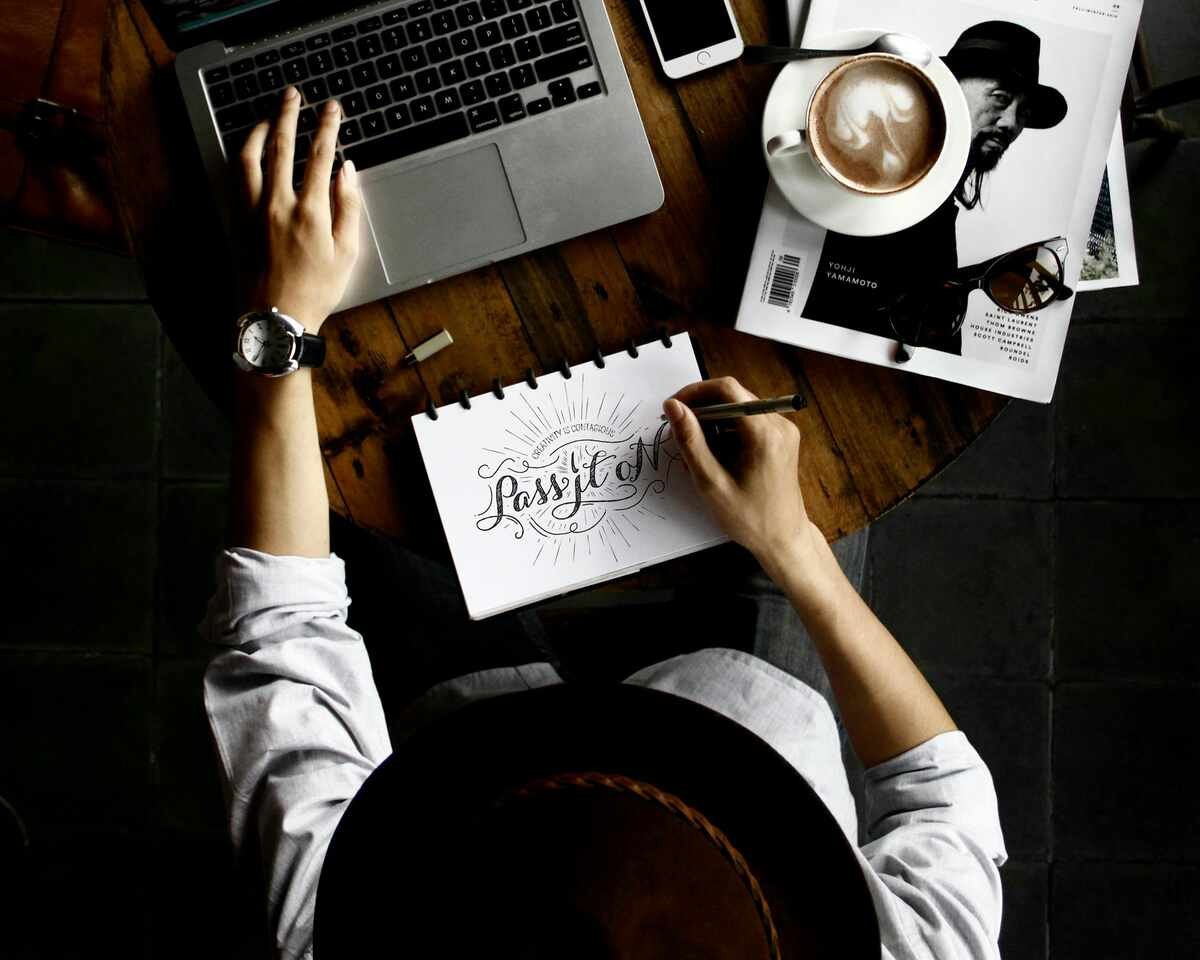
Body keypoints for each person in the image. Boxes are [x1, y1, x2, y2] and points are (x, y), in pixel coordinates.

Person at [202, 88, 1007, 958]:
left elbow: (280, 632)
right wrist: (791, 546)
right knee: (812, 405)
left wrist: (280, 327)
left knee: (371, 473)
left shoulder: (344, 928)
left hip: (469, 743)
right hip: (754, 712)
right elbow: (940, 792)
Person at [799, 20, 1068, 354]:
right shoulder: (886, 182)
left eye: (1024, 111)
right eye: (1000, 98)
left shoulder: (940, 205)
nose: (1012, 123)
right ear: (949, 87)